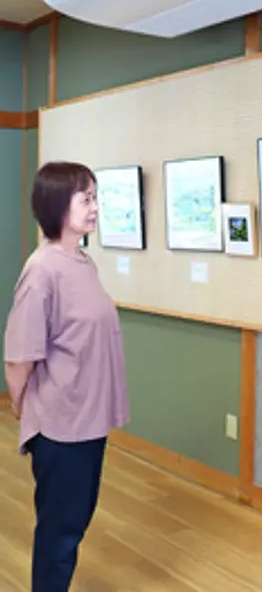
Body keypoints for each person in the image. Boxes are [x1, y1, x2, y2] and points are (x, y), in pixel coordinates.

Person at [4, 161, 130, 592]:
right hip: (60, 424)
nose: (95, 207)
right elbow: (19, 357)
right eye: (86, 198)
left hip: (87, 420)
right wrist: (27, 408)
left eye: (95, 197)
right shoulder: (42, 270)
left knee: (75, 521)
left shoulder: (82, 261)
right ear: (59, 204)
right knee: (60, 531)